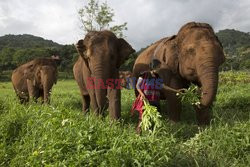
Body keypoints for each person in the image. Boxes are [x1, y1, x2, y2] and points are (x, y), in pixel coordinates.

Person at [132, 58, 184, 133]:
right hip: (146, 101)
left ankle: (151, 135)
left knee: (154, 119)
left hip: (155, 100)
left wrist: (176, 91)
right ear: (154, 66)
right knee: (142, 119)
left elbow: (163, 86)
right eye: (159, 67)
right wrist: (142, 94)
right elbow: (137, 86)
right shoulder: (144, 75)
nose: (159, 69)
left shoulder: (157, 76)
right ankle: (137, 135)